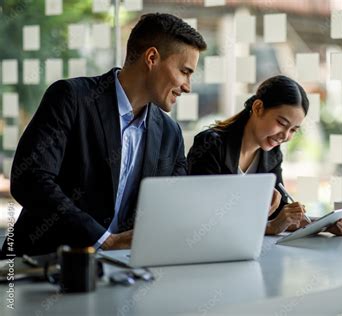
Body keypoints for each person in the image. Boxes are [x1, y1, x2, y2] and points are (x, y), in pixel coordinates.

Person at [1, 13, 207, 257]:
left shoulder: (170, 134)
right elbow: (29, 179)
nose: (187, 86)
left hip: (121, 271)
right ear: (151, 57)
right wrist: (103, 240)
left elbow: (175, 206)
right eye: (184, 71)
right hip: (42, 267)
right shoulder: (71, 98)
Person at [187, 76, 342, 235]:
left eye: (293, 130)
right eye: (281, 123)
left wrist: (327, 225)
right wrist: (269, 227)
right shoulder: (211, 145)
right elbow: (204, 219)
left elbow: (282, 216)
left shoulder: (272, 154)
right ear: (258, 108)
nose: (285, 136)